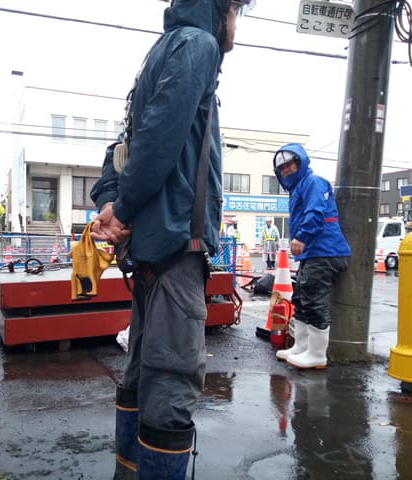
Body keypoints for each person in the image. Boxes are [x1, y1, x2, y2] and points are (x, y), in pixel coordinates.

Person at [90, 1, 253, 478]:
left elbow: (123, 146)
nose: (236, 27)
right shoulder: (198, 45)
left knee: (142, 369)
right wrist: (121, 209)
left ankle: (128, 471)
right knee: (173, 377)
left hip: (148, 253)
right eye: (237, 12)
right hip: (179, 247)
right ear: (221, 7)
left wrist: (111, 203)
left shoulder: (159, 54)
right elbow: (159, 138)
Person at [272, 143, 351, 370]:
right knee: (302, 298)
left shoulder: (313, 182)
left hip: (325, 251)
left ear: (301, 162)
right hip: (315, 252)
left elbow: (315, 212)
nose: (286, 170)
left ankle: (316, 354)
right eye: (282, 168)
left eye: (290, 164)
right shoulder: (300, 187)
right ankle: (301, 347)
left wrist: (302, 237)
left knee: (314, 300)